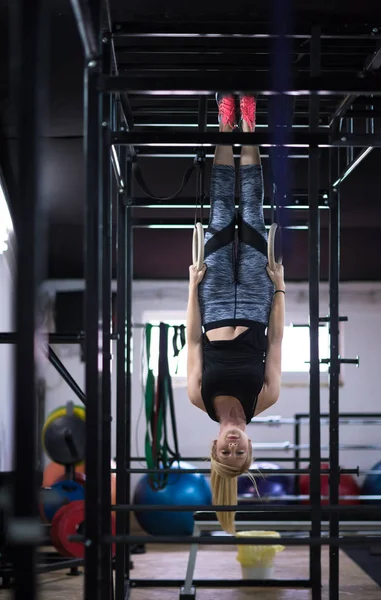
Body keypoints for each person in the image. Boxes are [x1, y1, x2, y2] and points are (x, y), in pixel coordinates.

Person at [186, 93, 285, 533]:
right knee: (254, 208)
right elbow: (278, 341)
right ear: (249, 447)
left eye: (224, 453)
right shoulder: (264, 399)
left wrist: (192, 288)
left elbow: (192, 341)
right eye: (238, 453)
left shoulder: (198, 398)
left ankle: (227, 123)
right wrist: (279, 289)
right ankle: (250, 119)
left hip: (214, 298)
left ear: (213, 446)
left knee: (223, 210)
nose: (231, 448)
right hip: (257, 301)